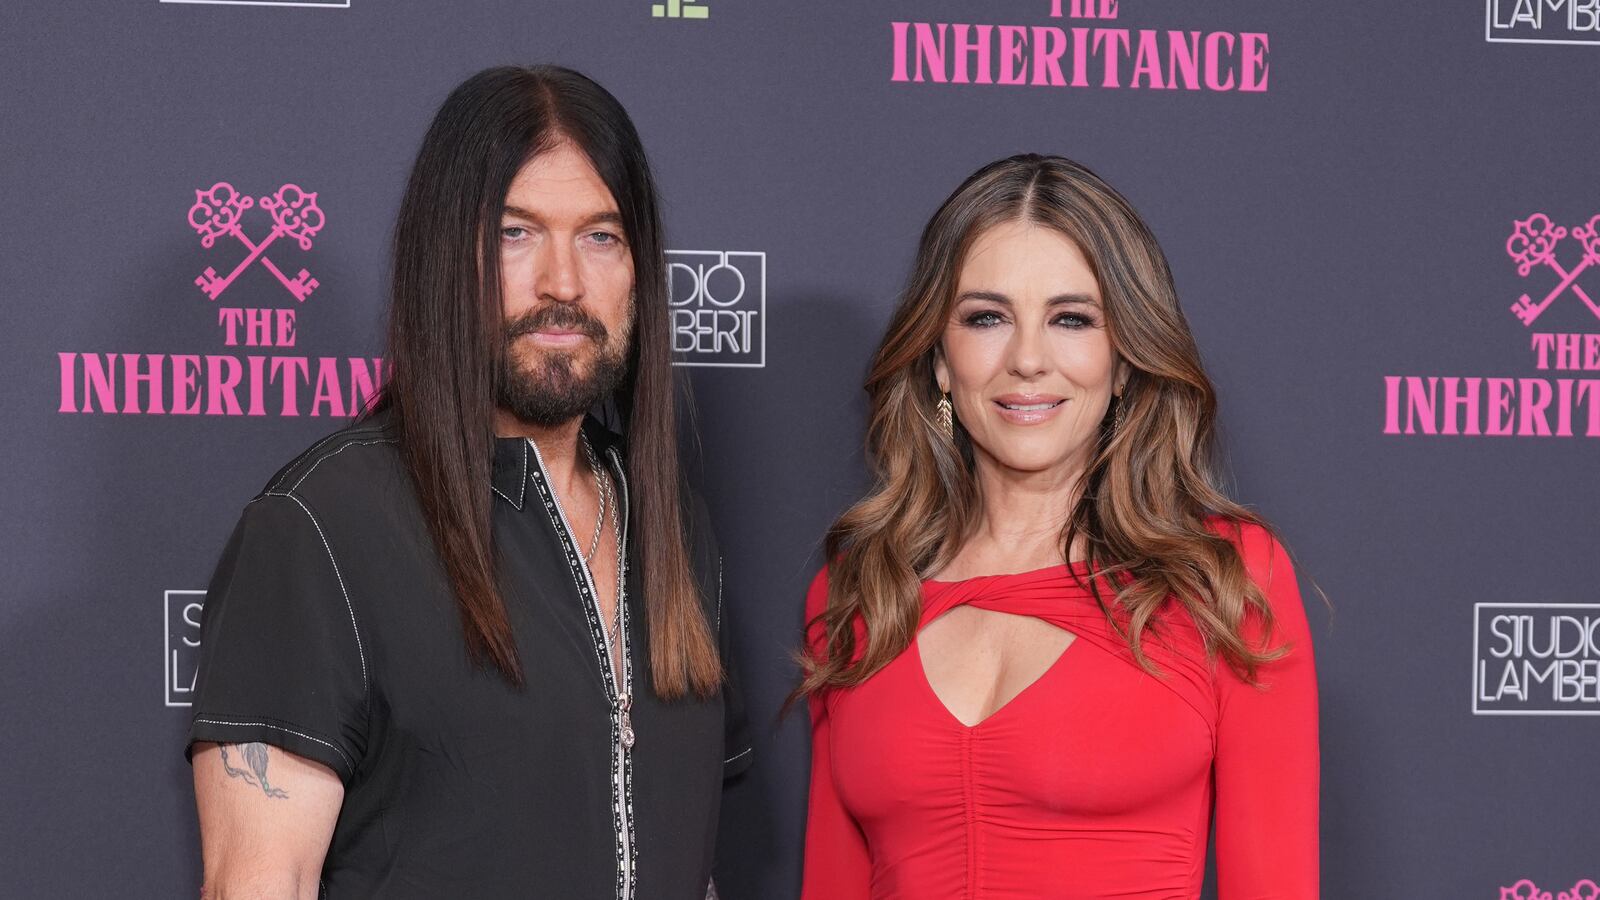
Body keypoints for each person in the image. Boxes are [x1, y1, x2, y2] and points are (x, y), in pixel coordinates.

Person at [186, 65, 751, 900]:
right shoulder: (322, 528)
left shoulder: (674, 528)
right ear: (446, 253)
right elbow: (260, 883)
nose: (563, 282)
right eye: (515, 233)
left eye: (602, 236)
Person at [798, 155, 1318, 899]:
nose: (1029, 361)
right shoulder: (857, 592)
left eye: (1071, 319)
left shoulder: (1225, 582)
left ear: (1126, 358)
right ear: (941, 360)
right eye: (987, 318)